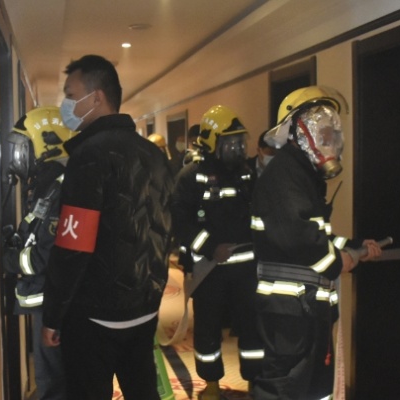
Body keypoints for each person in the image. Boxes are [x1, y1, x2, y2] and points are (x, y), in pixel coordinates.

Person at [41, 54, 174, 400]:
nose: (66, 104)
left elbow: (73, 245)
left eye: (71, 95)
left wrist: (53, 315)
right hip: (144, 307)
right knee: (143, 391)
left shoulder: (88, 156)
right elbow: (165, 229)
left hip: (94, 314)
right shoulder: (154, 155)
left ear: (96, 97)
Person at [249, 86, 382, 400]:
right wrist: (340, 261)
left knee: (315, 388)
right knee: (284, 388)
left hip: (307, 309)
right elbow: (301, 238)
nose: (329, 140)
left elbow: (317, 233)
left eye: (332, 133)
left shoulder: (303, 176)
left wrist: (355, 245)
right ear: (297, 131)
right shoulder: (284, 176)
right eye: (322, 132)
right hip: (290, 311)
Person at [172, 105, 264, 400]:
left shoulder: (247, 175)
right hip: (209, 271)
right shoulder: (190, 177)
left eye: (240, 142)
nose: (237, 149)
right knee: (208, 331)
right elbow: (180, 224)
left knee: (252, 331)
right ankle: (211, 384)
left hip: (247, 271)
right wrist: (211, 247)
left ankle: (254, 383)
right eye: (230, 143)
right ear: (212, 143)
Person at [3, 106, 75, 400]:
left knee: (54, 378)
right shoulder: (50, 185)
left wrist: (11, 259)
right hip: (50, 299)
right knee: (55, 375)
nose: (20, 159)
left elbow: (46, 256)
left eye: (25, 149)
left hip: (53, 302)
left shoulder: (60, 189)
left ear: (45, 145)